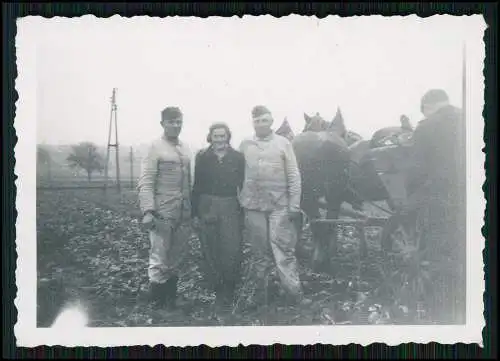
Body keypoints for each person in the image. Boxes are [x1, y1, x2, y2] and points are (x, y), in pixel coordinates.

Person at [238, 105, 312, 309]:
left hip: (280, 205)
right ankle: (260, 295)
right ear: (252, 123)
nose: (261, 124)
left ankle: (294, 294)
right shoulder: (245, 144)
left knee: (283, 250)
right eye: (257, 121)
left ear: (271, 122)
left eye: (264, 120)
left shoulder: (283, 144)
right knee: (259, 252)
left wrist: (294, 205)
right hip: (253, 206)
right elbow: (237, 174)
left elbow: (294, 176)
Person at [405, 89, 465, 323]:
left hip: (440, 197)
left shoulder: (427, 126)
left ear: (427, 106)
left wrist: (410, 198)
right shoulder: (468, 118)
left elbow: (416, 170)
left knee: (439, 249)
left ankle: (440, 310)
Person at [137, 106, 193, 312]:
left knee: (176, 258)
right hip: (162, 212)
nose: (176, 125)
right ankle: (157, 303)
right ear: (163, 124)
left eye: (179, 122)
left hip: (183, 212)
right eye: (171, 122)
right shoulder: (154, 147)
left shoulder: (186, 148)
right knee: (159, 257)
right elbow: (146, 181)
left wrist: (191, 209)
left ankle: (172, 299)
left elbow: (190, 182)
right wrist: (148, 210)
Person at [191, 122, 246, 315]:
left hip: (230, 204)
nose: (220, 140)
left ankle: (230, 288)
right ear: (210, 137)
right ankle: (217, 289)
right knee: (210, 246)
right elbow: (196, 185)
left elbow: (243, 185)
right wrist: (195, 213)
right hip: (207, 204)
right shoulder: (202, 157)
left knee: (231, 247)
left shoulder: (238, 158)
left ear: (228, 137)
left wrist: (241, 209)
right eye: (216, 136)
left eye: (223, 136)